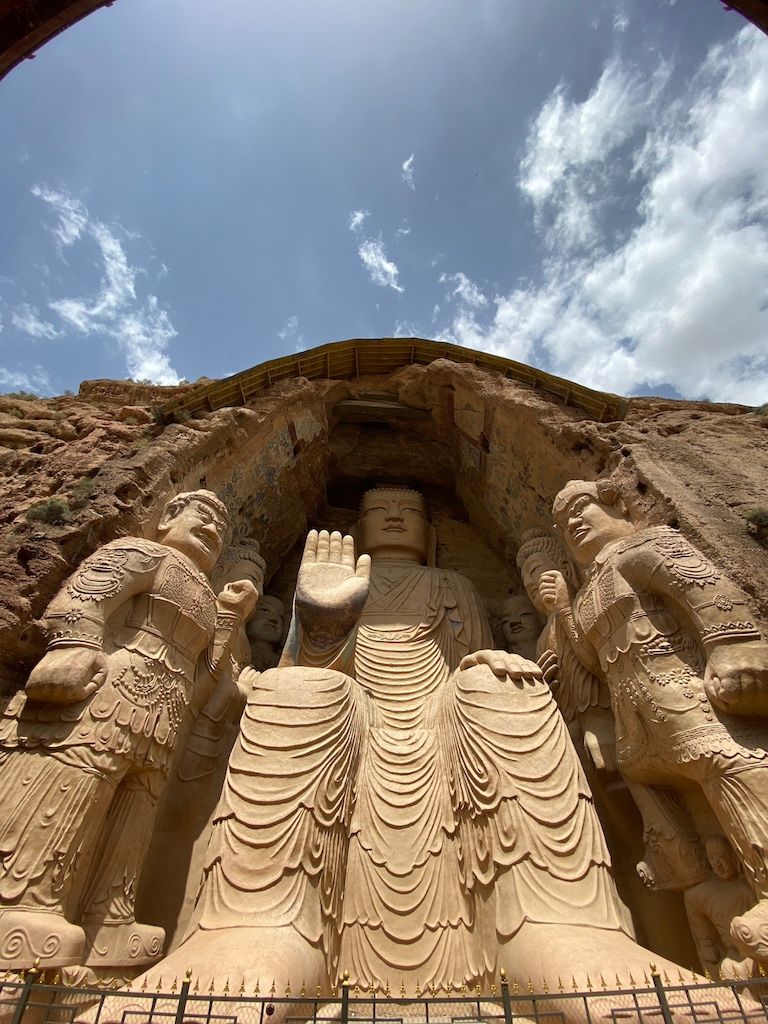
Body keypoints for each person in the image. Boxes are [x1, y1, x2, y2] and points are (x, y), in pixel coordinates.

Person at [129, 487, 690, 1007]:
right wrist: (322, 626)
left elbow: (468, 659)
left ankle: (559, 925)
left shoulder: (453, 586)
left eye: (409, 512)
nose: (395, 518)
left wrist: (491, 661)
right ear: (358, 528)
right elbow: (298, 666)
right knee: (297, 688)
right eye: (379, 510)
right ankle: (257, 926)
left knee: (502, 685)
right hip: (347, 718)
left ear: (430, 533)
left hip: (446, 717)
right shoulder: (336, 575)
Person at [0, 491, 256, 971]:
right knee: (73, 781)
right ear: (169, 516)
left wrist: (228, 617)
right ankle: (27, 899)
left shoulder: (206, 595)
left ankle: (109, 915)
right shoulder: (141, 553)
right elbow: (85, 598)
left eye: (221, 528)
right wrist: (74, 646)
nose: (212, 530)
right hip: (108, 688)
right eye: (203, 516)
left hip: (164, 711)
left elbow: (201, 682)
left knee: (137, 810)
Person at [547, 478, 768, 961]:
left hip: (684, 697)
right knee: (682, 826)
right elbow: (591, 657)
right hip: (638, 722)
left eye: (582, 508)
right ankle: (718, 916)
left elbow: (702, 588)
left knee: (732, 768)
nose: (574, 524)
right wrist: (563, 606)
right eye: (564, 524)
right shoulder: (588, 592)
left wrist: (731, 646)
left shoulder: (646, 546)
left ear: (619, 506)